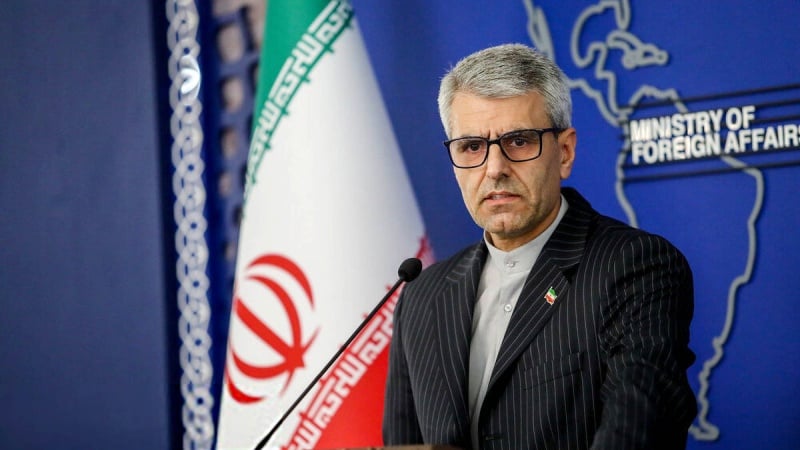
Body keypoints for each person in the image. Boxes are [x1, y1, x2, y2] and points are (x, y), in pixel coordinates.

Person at [382, 43, 697, 450]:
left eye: (519, 141)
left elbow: (638, 430)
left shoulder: (635, 267)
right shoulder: (423, 295)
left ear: (564, 152)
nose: (494, 169)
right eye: (472, 146)